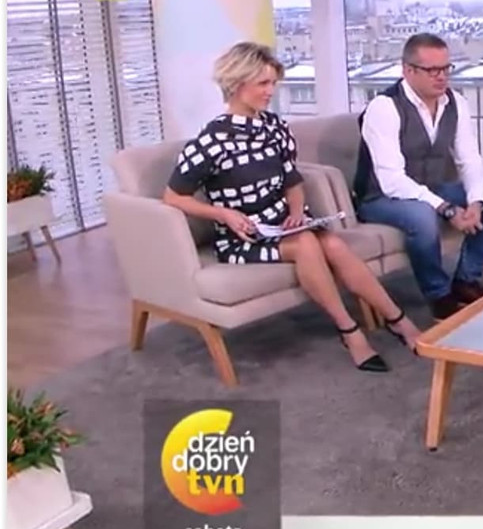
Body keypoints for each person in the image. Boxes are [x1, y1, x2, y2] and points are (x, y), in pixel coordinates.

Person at [163, 41, 424, 374]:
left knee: (332, 244)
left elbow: (292, 180)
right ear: (236, 84)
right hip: (243, 236)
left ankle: (398, 320)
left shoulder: (275, 127)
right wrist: (224, 214)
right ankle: (349, 331)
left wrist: (297, 212)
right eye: (263, 83)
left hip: (285, 222)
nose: (270, 91)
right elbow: (173, 197)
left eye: (273, 83)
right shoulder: (210, 143)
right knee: (306, 244)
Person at [354, 33, 483, 320]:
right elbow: (392, 180)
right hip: (381, 198)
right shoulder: (384, 108)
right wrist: (447, 208)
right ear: (408, 70)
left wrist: (475, 202)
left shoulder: (455, 103)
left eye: (445, 68)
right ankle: (439, 295)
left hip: (430, 189)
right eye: (432, 70)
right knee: (422, 215)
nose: (441, 77)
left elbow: (469, 159)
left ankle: (466, 280)